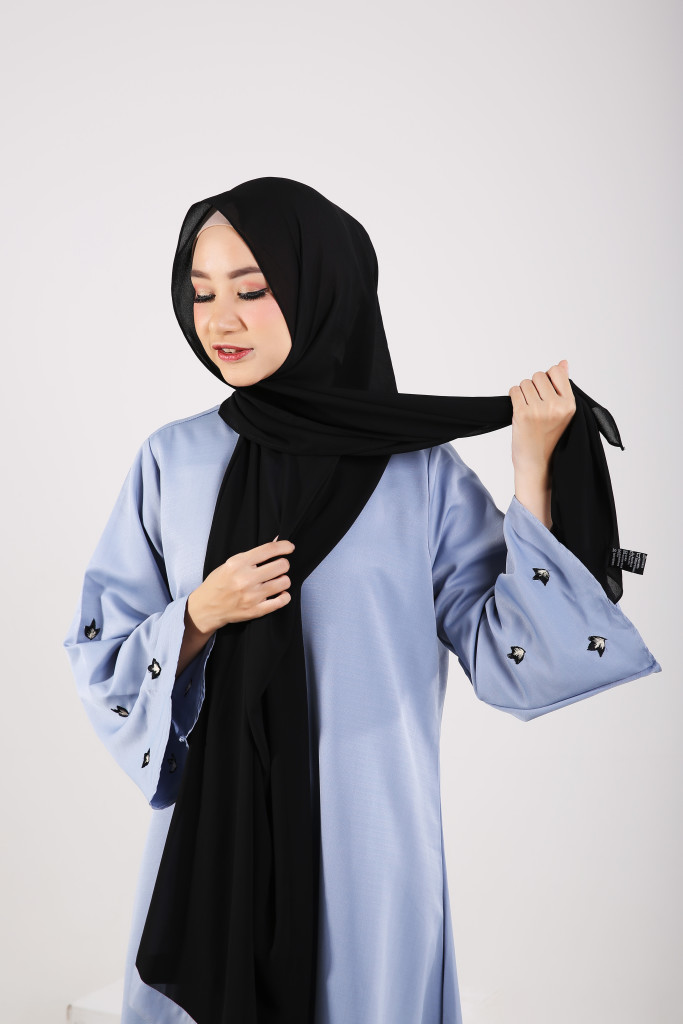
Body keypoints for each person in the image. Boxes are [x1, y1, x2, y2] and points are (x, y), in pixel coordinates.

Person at [62, 178, 661, 1024]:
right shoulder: (173, 460)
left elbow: (511, 657)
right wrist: (198, 613)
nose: (219, 320)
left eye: (251, 290)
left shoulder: (419, 474)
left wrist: (531, 468)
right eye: (201, 293)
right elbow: (102, 658)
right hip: (214, 846)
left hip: (369, 843)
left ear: (321, 290)